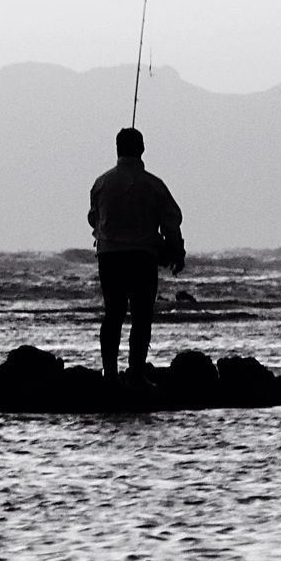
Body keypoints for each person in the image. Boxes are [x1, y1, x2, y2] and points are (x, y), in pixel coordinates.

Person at [88, 126, 185, 386]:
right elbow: (171, 221)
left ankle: (109, 375)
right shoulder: (153, 185)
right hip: (142, 257)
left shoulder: (101, 183)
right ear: (142, 149)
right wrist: (176, 251)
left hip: (109, 257)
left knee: (113, 315)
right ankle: (136, 374)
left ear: (117, 149)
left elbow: (93, 218)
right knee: (141, 316)